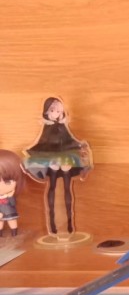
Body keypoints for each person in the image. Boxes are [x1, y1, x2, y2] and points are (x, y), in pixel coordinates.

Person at [23, 97, 92, 234]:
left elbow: (70, 140)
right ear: (46, 112)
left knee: (67, 188)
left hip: (65, 158)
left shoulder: (63, 126)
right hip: (52, 159)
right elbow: (42, 143)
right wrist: (32, 152)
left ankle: (69, 224)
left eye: (59, 111)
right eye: (53, 110)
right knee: (53, 186)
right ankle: (53, 224)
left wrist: (80, 145)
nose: (56, 113)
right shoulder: (47, 127)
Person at [0, 149, 25, 237]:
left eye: (8, 182)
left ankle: (14, 232)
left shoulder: (9, 196)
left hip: (9, 212)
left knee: (12, 221)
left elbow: (13, 203)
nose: (1, 185)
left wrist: (10, 196)